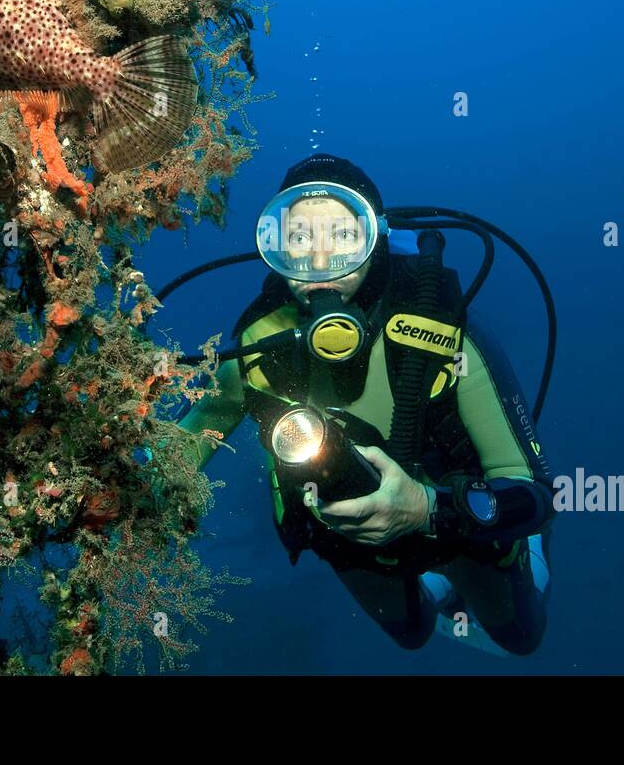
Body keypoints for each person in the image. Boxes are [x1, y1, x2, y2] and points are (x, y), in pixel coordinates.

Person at [175, 154, 555, 654]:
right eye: (299, 240)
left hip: (457, 525)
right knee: (412, 635)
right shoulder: (259, 346)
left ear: (375, 239)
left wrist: (424, 510)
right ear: (273, 248)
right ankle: (435, 588)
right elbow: (184, 443)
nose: (318, 263)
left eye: (341, 237)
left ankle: (506, 564)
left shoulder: (444, 331)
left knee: (520, 637)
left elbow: (540, 495)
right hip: (347, 539)